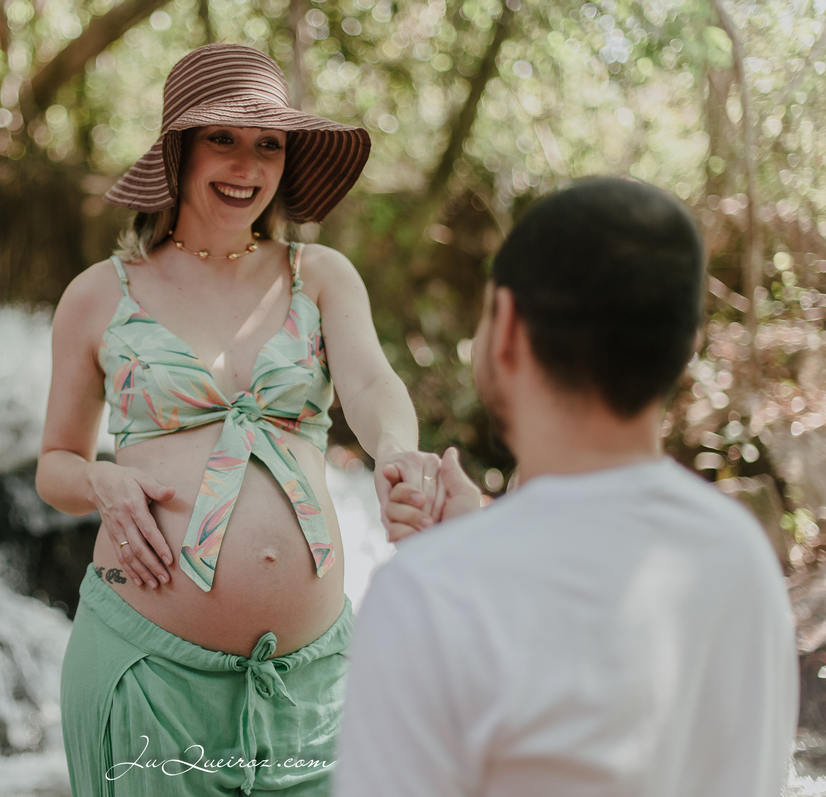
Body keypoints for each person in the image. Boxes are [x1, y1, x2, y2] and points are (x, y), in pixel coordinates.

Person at [37, 43, 447, 796]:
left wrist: (398, 452)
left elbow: (369, 380)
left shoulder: (319, 276)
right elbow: (55, 464)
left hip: (316, 688)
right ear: (178, 152)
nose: (247, 165)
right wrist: (100, 482)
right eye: (222, 138)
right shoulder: (99, 295)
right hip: (149, 671)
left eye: (269, 145)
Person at [335, 178, 799, 796]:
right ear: (687, 347)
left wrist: (466, 555)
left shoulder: (426, 595)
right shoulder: (739, 557)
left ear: (505, 331)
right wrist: (482, 536)